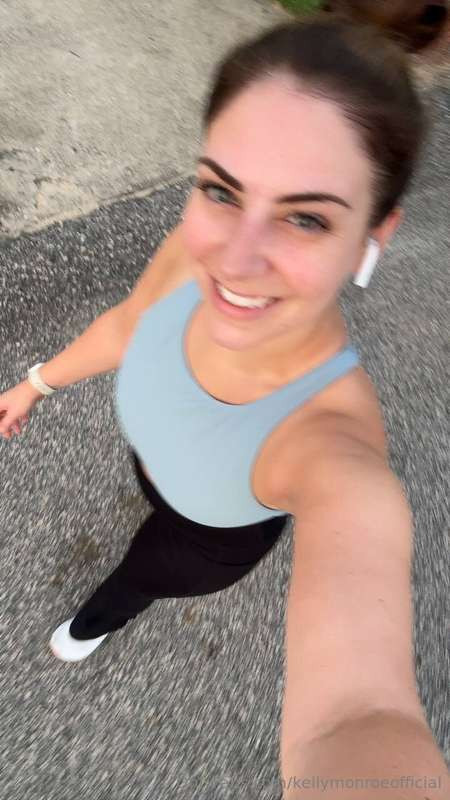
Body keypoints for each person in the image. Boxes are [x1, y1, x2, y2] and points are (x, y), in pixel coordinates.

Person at [0, 10, 448, 799]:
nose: (236, 259)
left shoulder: (334, 440)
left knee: (141, 573)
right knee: (150, 495)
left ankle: (96, 623)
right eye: (221, 190)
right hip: (156, 466)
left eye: (306, 217)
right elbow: (128, 326)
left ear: (375, 234)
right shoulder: (191, 249)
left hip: (209, 539)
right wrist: (37, 383)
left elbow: (357, 712)